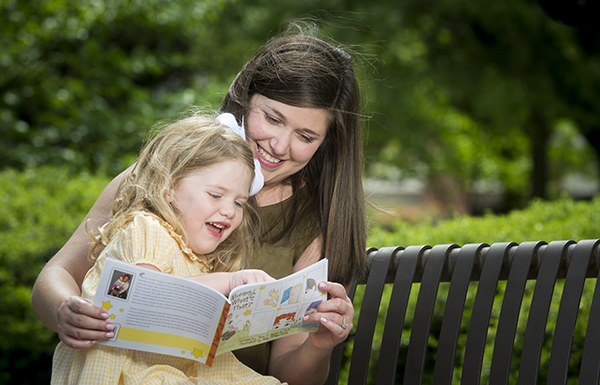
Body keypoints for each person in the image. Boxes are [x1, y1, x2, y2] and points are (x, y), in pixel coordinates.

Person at [32, 21, 368, 385]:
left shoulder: (311, 223)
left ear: (326, 143)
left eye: (305, 135)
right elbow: (56, 275)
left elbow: (289, 373)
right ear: (245, 98)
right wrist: (65, 309)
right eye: (272, 118)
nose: (280, 145)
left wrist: (319, 345)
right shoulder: (162, 174)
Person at [51, 112, 285, 384]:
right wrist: (229, 282)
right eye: (216, 195)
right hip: (129, 369)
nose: (229, 211)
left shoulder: (200, 259)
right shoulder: (148, 230)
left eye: (239, 202)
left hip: (173, 367)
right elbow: (147, 302)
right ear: (169, 189)